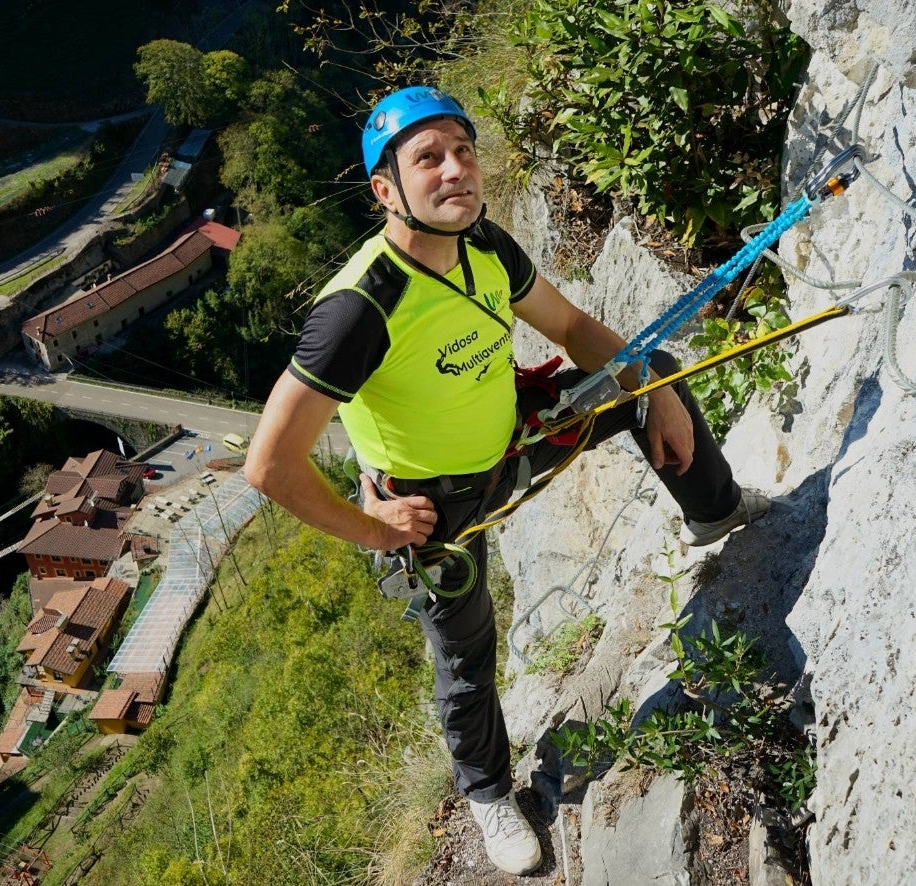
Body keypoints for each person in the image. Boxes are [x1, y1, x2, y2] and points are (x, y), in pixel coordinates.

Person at [244, 86, 768, 876]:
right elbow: (270, 465)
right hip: (433, 509)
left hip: (514, 440)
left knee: (648, 367)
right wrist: (377, 530)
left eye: (463, 150)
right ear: (386, 189)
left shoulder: (486, 245)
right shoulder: (360, 308)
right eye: (428, 159)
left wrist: (654, 390)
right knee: (466, 651)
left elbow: (574, 329)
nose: (455, 170)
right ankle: (489, 795)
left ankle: (716, 513)